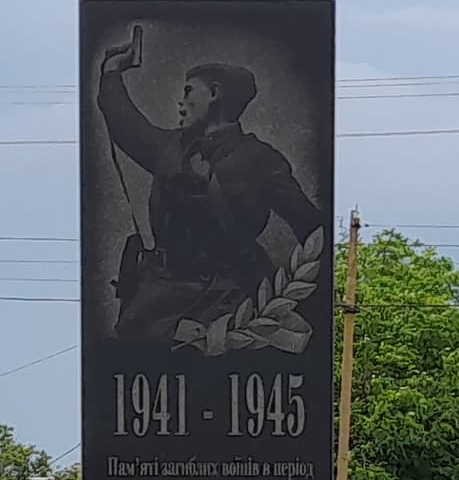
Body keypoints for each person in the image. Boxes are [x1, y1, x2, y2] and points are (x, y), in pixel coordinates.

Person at [92, 26, 327, 340]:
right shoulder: (171, 148)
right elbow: (127, 127)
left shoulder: (261, 160)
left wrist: (306, 301)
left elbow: (312, 231)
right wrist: (111, 74)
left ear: (214, 94)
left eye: (189, 91)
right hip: (160, 301)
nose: (181, 102)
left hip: (231, 297)